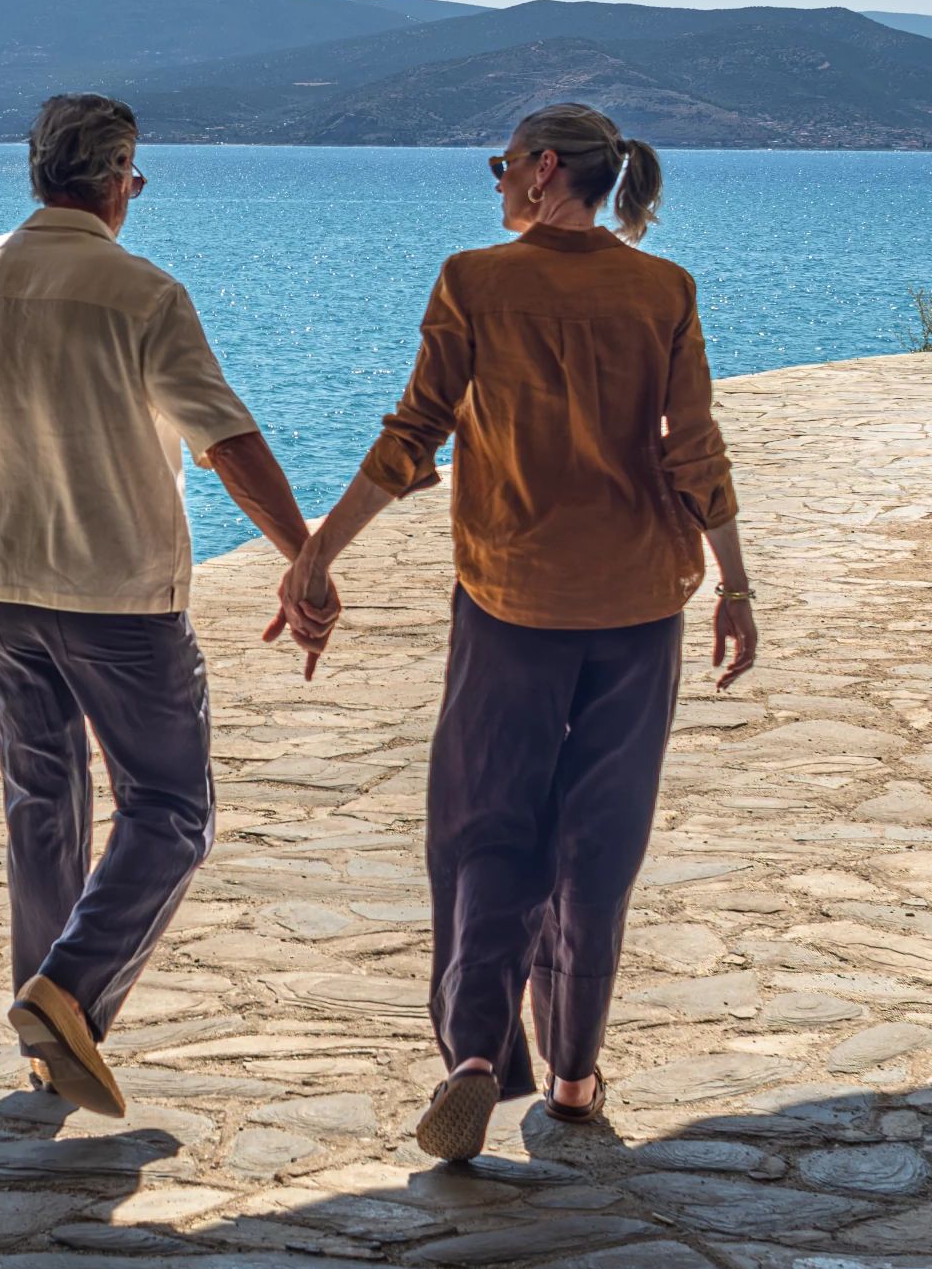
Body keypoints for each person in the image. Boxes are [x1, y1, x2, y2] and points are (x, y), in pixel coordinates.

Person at [274, 102, 755, 1162]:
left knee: (486, 828)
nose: (495, 182)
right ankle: (575, 1074)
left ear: (541, 171)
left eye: (500, 164)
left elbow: (413, 435)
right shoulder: (661, 288)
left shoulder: (475, 280)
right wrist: (734, 584)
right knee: (602, 837)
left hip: (510, 606)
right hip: (638, 607)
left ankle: (476, 1056)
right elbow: (694, 450)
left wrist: (319, 549)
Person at [0, 92, 329, 1118]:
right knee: (172, 809)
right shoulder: (140, 292)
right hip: (121, 600)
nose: (136, 189)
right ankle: (69, 990)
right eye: (135, 174)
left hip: (5, 592)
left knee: (40, 811)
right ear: (117, 175)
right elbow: (225, 439)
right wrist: (303, 555)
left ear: (37, 171)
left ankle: (50, 1046)